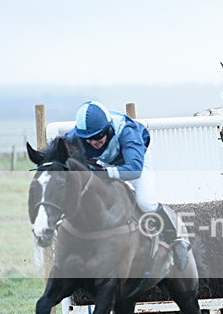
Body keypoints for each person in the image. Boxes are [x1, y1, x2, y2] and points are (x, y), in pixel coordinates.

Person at [65, 100, 189, 270]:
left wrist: (104, 173)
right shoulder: (73, 137)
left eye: (99, 135)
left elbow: (134, 170)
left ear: (108, 128)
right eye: (89, 139)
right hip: (105, 163)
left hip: (136, 162)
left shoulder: (126, 131)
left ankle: (176, 241)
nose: (95, 142)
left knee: (146, 202)